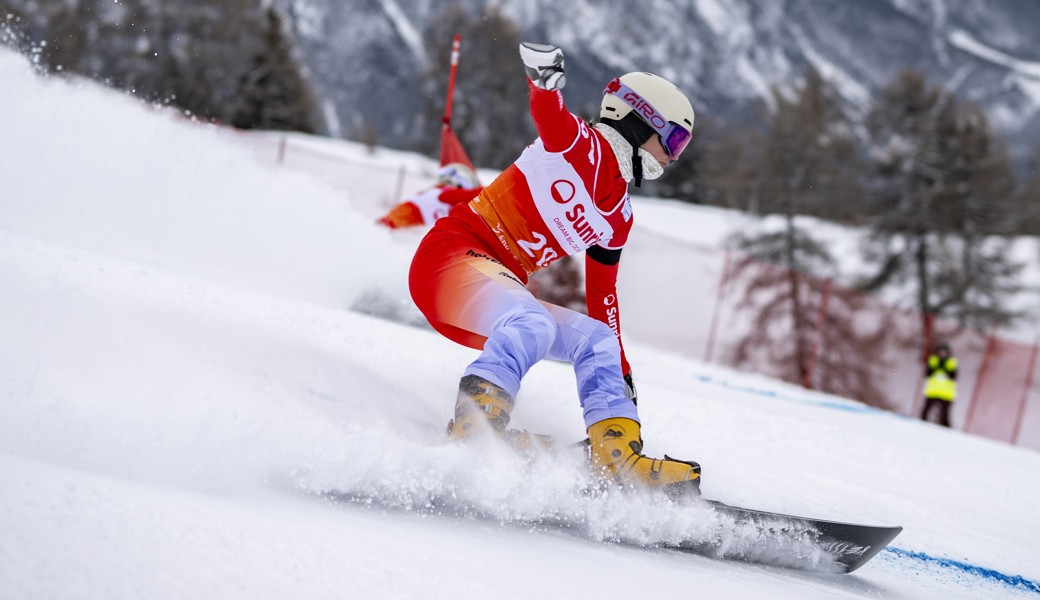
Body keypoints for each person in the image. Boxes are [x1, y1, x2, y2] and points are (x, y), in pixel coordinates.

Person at [408, 42, 701, 495]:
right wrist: (543, 81)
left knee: (597, 340)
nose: (673, 158)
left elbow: (605, 301)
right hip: (447, 260)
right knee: (533, 321)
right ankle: (475, 427)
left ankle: (614, 453)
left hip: (492, 293)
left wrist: (620, 380)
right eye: (673, 142)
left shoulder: (619, 217)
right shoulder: (585, 148)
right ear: (640, 121)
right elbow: (552, 120)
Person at [377, 162, 482, 229]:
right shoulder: (445, 193)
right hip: (399, 220)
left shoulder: (433, 191)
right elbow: (477, 194)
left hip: (401, 220)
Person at [921, 342, 957, 427]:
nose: (942, 354)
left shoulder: (951, 362)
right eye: (941, 351)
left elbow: (953, 376)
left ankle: (947, 431)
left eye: (944, 352)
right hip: (932, 391)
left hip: (946, 393)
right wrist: (936, 368)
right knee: (925, 413)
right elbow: (927, 374)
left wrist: (945, 369)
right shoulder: (933, 360)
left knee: (944, 416)